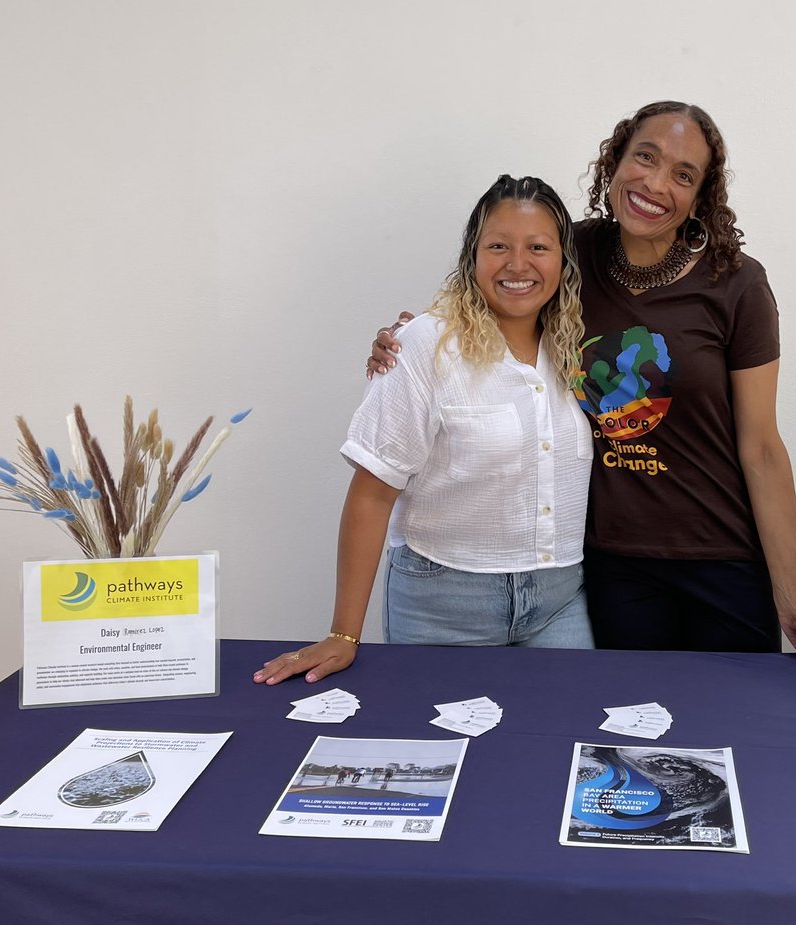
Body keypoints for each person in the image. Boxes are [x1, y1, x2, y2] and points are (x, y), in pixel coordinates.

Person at [368, 101, 796, 665]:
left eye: (683, 175)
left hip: (723, 557)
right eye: (646, 157)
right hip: (612, 563)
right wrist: (416, 333)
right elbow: (493, 294)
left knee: (732, 730)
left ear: (701, 197)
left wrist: (792, 598)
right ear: (614, 161)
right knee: (624, 739)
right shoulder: (571, 255)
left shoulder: (736, 284)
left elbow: (762, 448)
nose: (656, 183)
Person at [254, 175, 593, 687]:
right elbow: (372, 495)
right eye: (498, 246)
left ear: (563, 260)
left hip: (561, 602)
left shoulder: (579, 347)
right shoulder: (426, 346)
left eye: (538, 247)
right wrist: (343, 635)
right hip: (445, 603)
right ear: (471, 257)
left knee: (565, 742)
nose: (518, 265)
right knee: (450, 757)